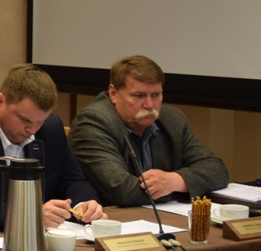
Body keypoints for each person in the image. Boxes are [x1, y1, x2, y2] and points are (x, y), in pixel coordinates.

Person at [0, 63, 105, 231]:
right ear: (0, 101)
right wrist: (28, 215)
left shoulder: (51, 128)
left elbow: (73, 180)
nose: (32, 130)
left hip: (41, 238)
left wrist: (84, 203)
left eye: (40, 121)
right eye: (25, 120)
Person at [69, 55, 229, 206]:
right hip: (112, 220)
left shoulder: (172, 119)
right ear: (113, 94)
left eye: (155, 95)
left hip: (161, 217)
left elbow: (217, 170)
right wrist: (184, 187)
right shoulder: (93, 122)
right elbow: (122, 191)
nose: (150, 105)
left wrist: (175, 181)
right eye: (139, 96)